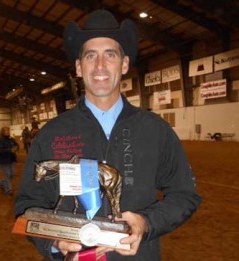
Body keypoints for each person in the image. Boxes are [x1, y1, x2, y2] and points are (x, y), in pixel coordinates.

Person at [14, 10, 202, 261]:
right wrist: (54, 241)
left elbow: (185, 194)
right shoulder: (52, 133)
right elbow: (28, 204)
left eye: (110, 55)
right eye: (91, 56)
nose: (100, 66)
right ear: (79, 67)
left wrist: (147, 223)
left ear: (124, 64)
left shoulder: (155, 129)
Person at [0, 126, 19, 195]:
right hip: (4, 161)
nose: (7, 132)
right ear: (2, 132)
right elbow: (0, 150)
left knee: (13, 174)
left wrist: (16, 148)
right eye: (6, 131)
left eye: (8, 130)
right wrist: (10, 150)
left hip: (11, 159)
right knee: (7, 175)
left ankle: (1, 183)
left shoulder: (11, 139)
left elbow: (16, 145)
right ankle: (8, 190)